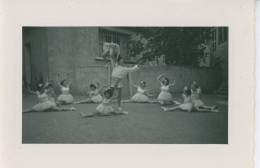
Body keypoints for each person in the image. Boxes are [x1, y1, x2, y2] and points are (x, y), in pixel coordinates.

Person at [102, 42, 142, 110]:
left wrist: (138, 65)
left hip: (118, 82)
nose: (122, 61)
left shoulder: (125, 69)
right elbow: (106, 55)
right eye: (121, 60)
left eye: (123, 61)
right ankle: (106, 103)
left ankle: (119, 106)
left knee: (119, 95)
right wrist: (110, 48)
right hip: (114, 81)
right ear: (119, 61)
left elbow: (133, 69)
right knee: (109, 93)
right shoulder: (115, 65)